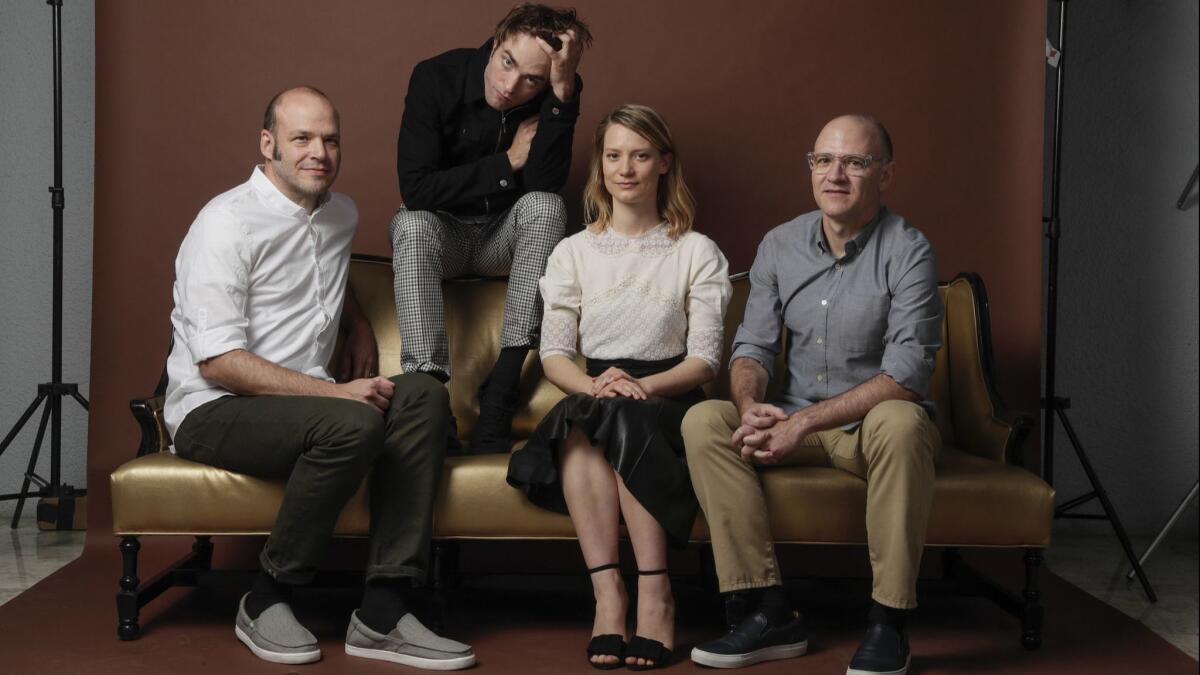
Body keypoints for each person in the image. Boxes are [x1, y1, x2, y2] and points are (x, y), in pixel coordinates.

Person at [163, 86, 474, 670]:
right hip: (214, 408)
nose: (319, 152)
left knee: (424, 396)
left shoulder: (340, 212)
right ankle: (267, 596)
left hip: (306, 407)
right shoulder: (224, 223)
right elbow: (218, 361)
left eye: (330, 139)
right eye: (301, 138)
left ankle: (383, 609)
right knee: (352, 421)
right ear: (268, 144)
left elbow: (318, 269)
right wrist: (333, 392)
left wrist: (355, 321)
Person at [683, 115, 943, 675]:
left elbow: (906, 375)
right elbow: (751, 347)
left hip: (866, 431)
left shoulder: (910, 250)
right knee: (705, 419)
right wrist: (753, 407)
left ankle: (888, 620)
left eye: (855, 162)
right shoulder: (780, 244)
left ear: (886, 174)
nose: (835, 174)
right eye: (823, 160)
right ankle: (768, 607)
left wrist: (803, 424)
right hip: (793, 417)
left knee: (903, 420)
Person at [507, 104, 732, 670]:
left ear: (664, 163)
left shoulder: (694, 250)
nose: (625, 168)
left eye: (639, 155)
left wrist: (640, 386)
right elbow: (555, 354)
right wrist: (594, 385)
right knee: (583, 417)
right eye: (613, 156)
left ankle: (656, 595)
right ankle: (610, 597)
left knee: (622, 415)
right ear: (599, 166)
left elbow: (705, 360)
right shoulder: (572, 252)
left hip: (671, 395)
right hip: (597, 387)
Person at [391, 4, 592, 454]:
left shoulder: (553, 94)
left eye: (532, 81)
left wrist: (561, 96)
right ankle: (429, 401)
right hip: (442, 237)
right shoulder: (435, 77)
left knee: (545, 206)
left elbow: (545, 184)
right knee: (411, 223)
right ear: (496, 41)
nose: (510, 86)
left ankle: (501, 390)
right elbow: (417, 189)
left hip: (502, 239)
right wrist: (506, 163)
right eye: (507, 63)